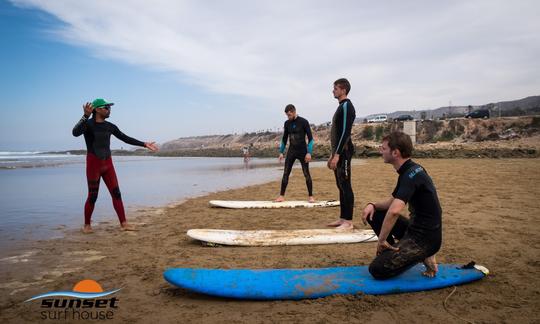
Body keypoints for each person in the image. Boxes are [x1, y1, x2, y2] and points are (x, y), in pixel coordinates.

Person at [361, 131, 442, 279]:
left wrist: (381, 240)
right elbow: (392, 202)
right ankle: (391, 252)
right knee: (376, 214)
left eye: (384, 149)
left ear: (395, 153)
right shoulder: (410, 170)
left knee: (377, 270)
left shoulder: (410, 175)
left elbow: (394, 211)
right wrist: (372, 205)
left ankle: (423, 254)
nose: (381, 151)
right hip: (414, 228)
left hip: (425, 239)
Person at [72, 98, 159, 233]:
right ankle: (87, 225)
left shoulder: (110, 126)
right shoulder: (88, 125)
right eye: (106, 107)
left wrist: (144, 144)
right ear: (97, 109)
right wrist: (85, 116)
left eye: (109, 107)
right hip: (93, 165)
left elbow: (125, 138)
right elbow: (75, 132)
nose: (109, 109)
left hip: (108, 165)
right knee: (93, 196)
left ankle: (124, 223)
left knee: (116, 194)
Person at [327, 78, 356, 230]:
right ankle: (343, 218)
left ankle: (349, 222)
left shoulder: (347, 106)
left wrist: (338, 155)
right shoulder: (341, 106)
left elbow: (345, 132)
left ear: (343, 90)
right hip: (338, 152)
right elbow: (336, 134)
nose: (333, 91)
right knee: (340, 185)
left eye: (336, 88)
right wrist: (332, 154)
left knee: (345, 184)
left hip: (344, 152)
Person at [276, 104, 315, 203]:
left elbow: (310, 139)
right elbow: (284, 139)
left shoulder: (304, 122)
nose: (288, 117)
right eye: (287, 115)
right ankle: (281, 196)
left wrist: (309, 153)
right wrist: (281, 152)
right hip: (292, 151)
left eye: (289, 114)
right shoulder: (287, 123)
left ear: (294, 111)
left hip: (303, 151)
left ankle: (310, 196)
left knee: (306, 173)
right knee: (286, 173)